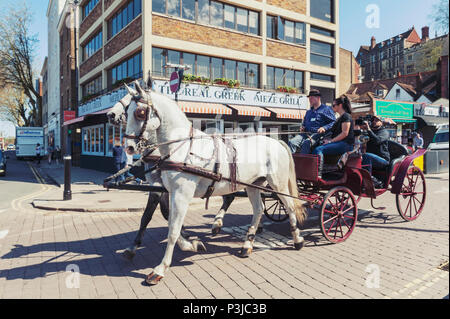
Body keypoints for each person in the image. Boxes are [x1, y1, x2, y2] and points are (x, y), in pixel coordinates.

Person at [312, 96, 354, 178]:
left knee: (319, 149)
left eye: (333, 105)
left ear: (340, 105)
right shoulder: (339, 118)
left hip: (346, 144)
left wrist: (330, 141)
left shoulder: (346, 116)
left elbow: (344, 133)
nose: (332, 107)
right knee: (317, 146)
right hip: (339, 142)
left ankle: (318, 174)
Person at [288, 89, 336, 154]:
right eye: (309, 98)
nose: (310, 100)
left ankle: (303, 162)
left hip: (318, 135)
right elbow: (304, 124)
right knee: (291, 142)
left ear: (318, 98)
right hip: (305, 134)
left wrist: (324, 128)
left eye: (312, 98)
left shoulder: (326, 109)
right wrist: (303, 127)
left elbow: (333, 122)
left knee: (306, 143)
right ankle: (292, 162)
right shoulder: (308, 112)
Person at [360, 115, 390, 188]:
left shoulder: (384, 132)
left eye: (377, 120)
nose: (374, 122)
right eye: (373, 120)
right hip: (371, 158)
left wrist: (369, 130)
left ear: (381, 122)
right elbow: (361, 139)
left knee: (367, 156)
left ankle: (369, 180)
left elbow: (377, 140)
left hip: (383, 160)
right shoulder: (370, 131)